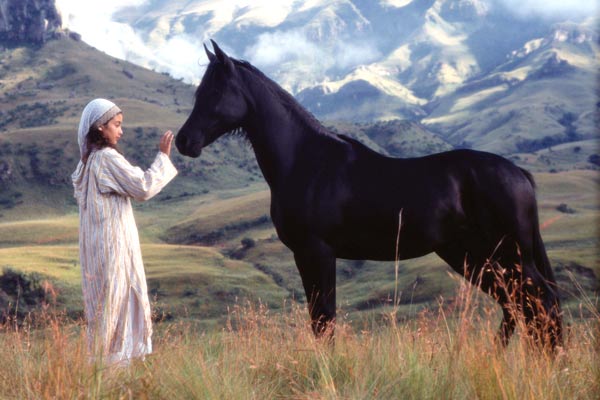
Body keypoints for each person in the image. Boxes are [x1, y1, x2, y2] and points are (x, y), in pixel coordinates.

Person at [71, 98, 178, 365]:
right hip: (113, 251)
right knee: (117, 307)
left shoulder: (87, 163)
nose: (121, 131)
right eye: (116, 125)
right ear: (99, 128)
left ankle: (104, 376)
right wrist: (163, 157)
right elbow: (142, 187)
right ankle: (115, 377)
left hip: (97, 251)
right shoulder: (106, 159)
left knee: (104, 310)